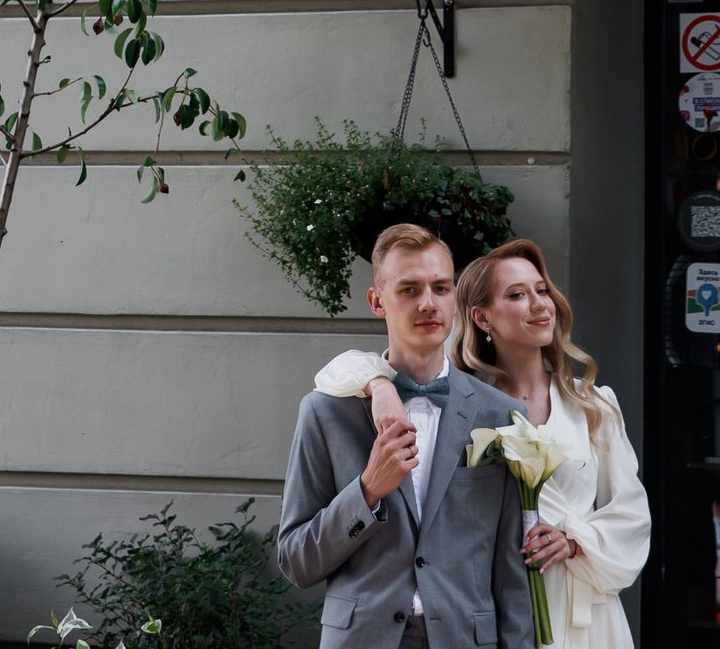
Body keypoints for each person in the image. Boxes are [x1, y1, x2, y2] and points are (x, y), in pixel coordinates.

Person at [313, 239, 651, 649]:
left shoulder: (594, 404)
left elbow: (632, 514)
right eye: (517, 294)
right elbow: (340, 372)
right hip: (487, 613)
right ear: (480, 317)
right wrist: (378, 383)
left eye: (542, 290)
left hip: (579, 606)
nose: (539, 304)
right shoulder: (470, 405)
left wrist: (576, 540)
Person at [278, 223, 534, 649]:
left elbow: (511, 572)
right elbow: (296, 561)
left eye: (440, 288)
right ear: (377, 301)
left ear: (455, 299)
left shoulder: (502, 414)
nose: (428, 303)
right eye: (409, 290)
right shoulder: (325, 413)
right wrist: (366, 491)